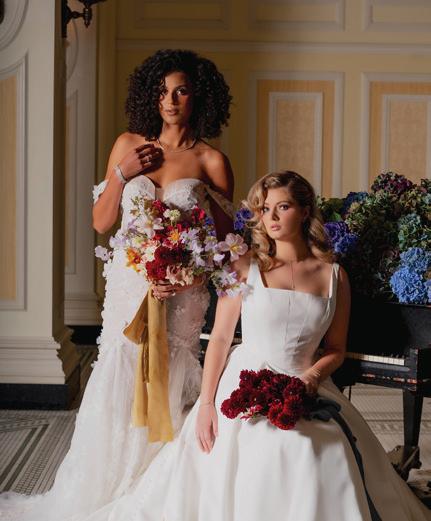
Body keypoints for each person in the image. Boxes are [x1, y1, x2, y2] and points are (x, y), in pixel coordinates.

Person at [78, 171, 431, 521]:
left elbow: (336, 349)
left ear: (305, 211)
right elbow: (220, 338)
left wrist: (310, 378)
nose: (271, 217)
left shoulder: (334, 276)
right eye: (264, 209)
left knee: (324, 445)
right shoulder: (245, 266)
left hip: (306, 382)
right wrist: (206, 405)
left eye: (283, 207)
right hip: (244, 381)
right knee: (265, 443)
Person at [0, 49, 234, 521]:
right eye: (162, 91)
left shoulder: (211, 160)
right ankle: (105, 488)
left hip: (181, 293)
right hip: (130, 286)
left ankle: (158, 495)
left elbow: (228, 244)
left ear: (198, 97)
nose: (170, 100)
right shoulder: (128, 144)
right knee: (120, 372)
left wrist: (186, 273)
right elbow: (102, 222)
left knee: (173, 376)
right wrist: (123, 173)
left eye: (181, 91)